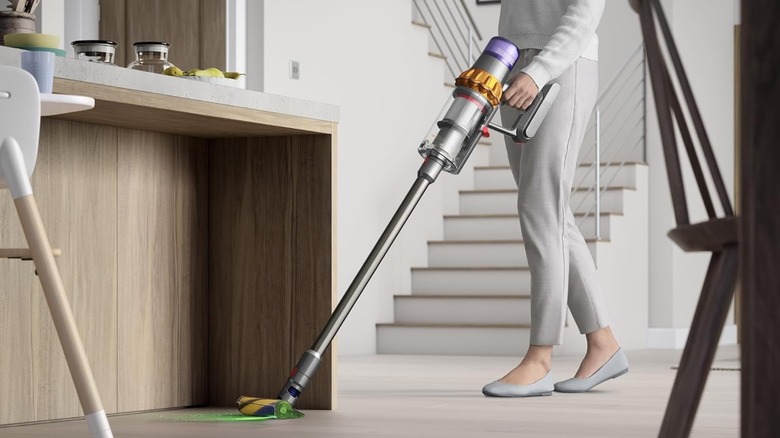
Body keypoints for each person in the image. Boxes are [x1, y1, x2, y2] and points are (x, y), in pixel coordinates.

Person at [481, 0, 629, 397]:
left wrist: (540, 69)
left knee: (540, 209)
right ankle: (603, 344)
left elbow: (585, 12)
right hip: (510, 64)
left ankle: (540, 358)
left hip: (561, 64)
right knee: (552, 214)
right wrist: (498, 72)